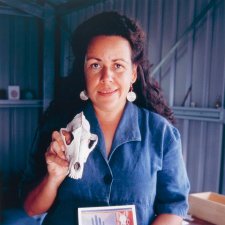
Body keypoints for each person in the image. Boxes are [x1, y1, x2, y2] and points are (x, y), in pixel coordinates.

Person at [20, 11, 190, 225]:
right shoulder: (57, 128)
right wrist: (53, 178)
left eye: (118, 66)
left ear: (134, 74)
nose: (106, 78)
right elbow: (31, 208)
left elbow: (173, 207)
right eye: (95, 65)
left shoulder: (161, 133)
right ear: (84, 72)